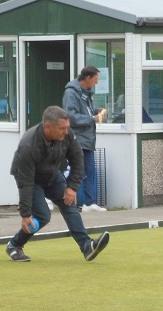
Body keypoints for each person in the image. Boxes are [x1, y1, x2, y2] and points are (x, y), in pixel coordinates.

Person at [6, 105, 110, 262]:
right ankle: (14, 245)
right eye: (62, 128)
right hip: (30, 179)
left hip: (52, 174)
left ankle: (87, 246)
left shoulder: (66, 133)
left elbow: (77, 159)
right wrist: (26, 214)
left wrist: (72, 188)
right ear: (48, 127)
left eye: (67, 127)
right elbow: (25, 183)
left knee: (69, 204)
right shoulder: (28, 145)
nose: (66, 132)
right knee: (43, 215)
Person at [62, 66, 107, 212]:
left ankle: (89, 203)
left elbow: (85, 112)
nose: (96, 82)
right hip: (76, 139)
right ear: (87, 78)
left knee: (90, 170)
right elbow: (71, 117)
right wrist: (92, 118)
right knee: (77, 170)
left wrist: (97, 111)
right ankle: (52, 196)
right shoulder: (71, 93)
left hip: (88, 139)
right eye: (95, 79)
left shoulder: (86, 94)